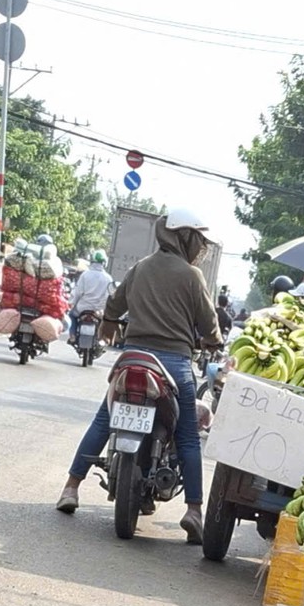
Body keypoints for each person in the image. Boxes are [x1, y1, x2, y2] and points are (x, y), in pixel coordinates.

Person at [55, 208, 222, 540]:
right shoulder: (192, 276)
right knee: (188, 436)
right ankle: (193, 511)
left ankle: (71, 488)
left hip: (132, 358)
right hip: (174, 363)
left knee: (104, 421)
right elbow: (208, 324)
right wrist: (214, 339)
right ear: (184, 237)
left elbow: (114, 308)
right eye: (198, 240)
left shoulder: (140, 268)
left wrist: (112, 325)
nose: (200, 248)